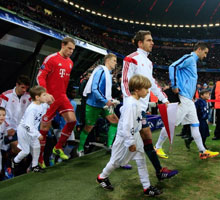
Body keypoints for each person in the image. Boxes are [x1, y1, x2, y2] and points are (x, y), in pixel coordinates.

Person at [121, 30, 178, 180]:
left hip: (141, 108)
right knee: (134, 139)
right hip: (134, 108)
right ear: (140, 43)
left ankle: (118, 164)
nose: (152, 43)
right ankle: (159, 172)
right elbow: (125, 82)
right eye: (149, 40)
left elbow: (152, 84)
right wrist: (131, 102)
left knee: (136, 138)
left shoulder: (148, 62)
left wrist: (164, 99)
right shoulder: (131, 58)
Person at [97, 75, 162, 197]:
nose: (148, 91)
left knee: (141, 159)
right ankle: (102, 177)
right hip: (125, 138)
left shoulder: (135, 102)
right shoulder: (131, 104)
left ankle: (146, 187)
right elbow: (127, 125)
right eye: (145, 89)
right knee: (115, 162)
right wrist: (130, 142)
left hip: (134, 135)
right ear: (137, 89)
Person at [155, 42, 219, 159]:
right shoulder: (189, 58)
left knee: (195, 125)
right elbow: (172, 67)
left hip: (189, 100)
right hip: (183, 98)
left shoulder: (193, 62)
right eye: (205, 53)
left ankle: (202, 151)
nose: (205, 56)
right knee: (172, 124)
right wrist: (174, 85)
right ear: (199, 49)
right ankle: (158, 147)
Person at [37, 37, 77, 167]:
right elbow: (40, 76)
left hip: (62, 96)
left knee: (72, 121)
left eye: (73, 49)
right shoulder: (51, 58)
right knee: (44, 128)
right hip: (50, 98)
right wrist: (45, 94)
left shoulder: (70, 63)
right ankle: (40, 158)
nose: (71, 51)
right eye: (69, 48)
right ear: (63, 45)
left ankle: (58, 147)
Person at [78, 53, 118, 156]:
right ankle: (80, 149)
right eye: (114, 60)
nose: (116, 63)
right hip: (94, 104)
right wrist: (106, 101)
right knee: (89, 127)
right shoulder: (101, 72)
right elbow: (95, 89)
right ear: (108, 60)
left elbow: (105, 91)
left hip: (104, 104)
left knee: (115, 121)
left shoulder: (108, 73)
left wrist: (110, 100)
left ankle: (109, 146)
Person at [12, 86, 53, 173]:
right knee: (26, 151)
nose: (46, 96)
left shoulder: (42, 105)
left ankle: (35, 166)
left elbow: (49, 103)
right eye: (44, 95)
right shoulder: (32, 109)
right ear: (37, 97)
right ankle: (15, 161)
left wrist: (50, 100)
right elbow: (28, 125)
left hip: (32, 130)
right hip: (24, 130)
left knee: (37, 147)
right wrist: (37, 134)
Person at [0, 75, 31, 155]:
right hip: (7, 129)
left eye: (26, 88)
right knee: (18, 148)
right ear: (17, 84)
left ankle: (9, 159)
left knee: (25, 152)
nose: (24, 90)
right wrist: (7, 128)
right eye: (22, 87)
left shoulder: (28, 97)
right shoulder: (5, 95)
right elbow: (1, 114)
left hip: (22, 129)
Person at [0, 107, 9, 180]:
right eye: (0, 115)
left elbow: (4, 137)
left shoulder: (3, 125)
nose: (2, 117)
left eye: (3, 115)